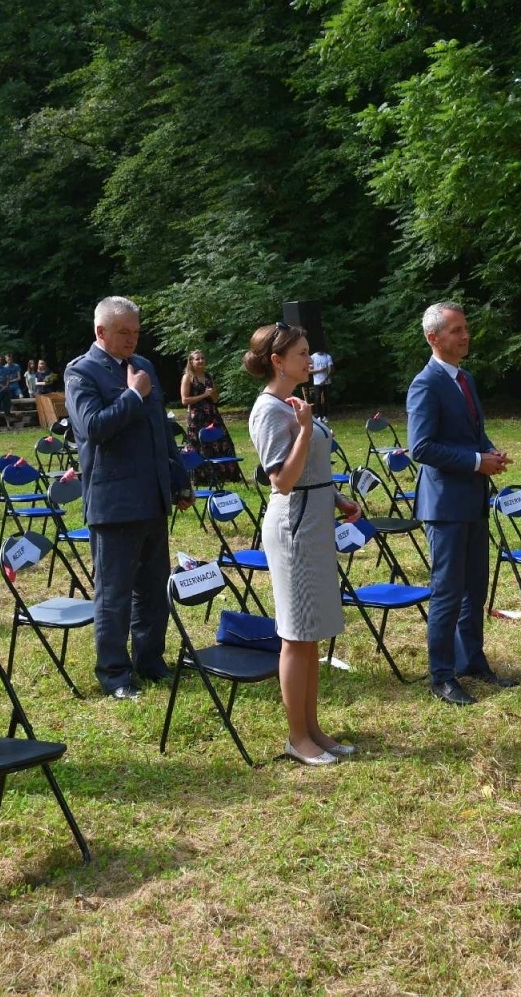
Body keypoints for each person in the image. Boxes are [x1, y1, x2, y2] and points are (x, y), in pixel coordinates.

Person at [244, 322, 362, 764]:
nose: (309, 360)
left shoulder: (296, 404)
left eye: (309, 352)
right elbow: (283, 480)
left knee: (311, 632)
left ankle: (314, 730)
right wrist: (307, 430)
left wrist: (339, 498)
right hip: (293, 526)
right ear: (277, 361)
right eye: (301, 354)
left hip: (315, 520)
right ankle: (297, 738)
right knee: (295, 634)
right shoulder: (269, 410)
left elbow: (312, 474)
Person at [65, 297, 194, 699]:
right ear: (101, 332)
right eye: (124, 332)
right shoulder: (81, 372)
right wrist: (133, 396)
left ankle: (151, 661)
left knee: (153, 589)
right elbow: (92, 428)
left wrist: (178, 478)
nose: (132, 339)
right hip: (115, 502)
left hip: (153, 496)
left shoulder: (145, 367)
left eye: (136, 332)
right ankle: (114, 674)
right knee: (114, 593)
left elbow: (160, 431)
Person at [406, 302, 517, 705]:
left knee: (475, 586)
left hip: (472, 498)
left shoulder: (465, 378)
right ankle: (441, 675)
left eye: (466, 328)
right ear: (433, 337)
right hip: (444, 505)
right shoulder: (425, 384)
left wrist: (489, 453)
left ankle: (472, 660)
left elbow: (473, 434)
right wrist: (475, 461)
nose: (465, 336)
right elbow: (421, 446)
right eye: (456, 330)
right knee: (448, 590)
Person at [179, 349, 244, 484]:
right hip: (197, 417)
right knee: (200, 445)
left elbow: (215, 399)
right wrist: (203, 395)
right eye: (197, 359)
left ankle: (224, 475)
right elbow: (184, 401)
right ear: (191, 362)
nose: (201, 361)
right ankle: (203, 477)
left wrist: (213, 393)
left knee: (222, 442)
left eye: (202, 358)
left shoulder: (208, 376)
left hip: (212, 415)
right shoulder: (188, 378)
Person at [308, 346, 333, 419]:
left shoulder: (327, 356)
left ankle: (325, 416)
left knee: (326, 399)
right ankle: (319, 415)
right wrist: (320, 370)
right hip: (317, 382)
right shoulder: (313, 357)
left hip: (327, 382)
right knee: (317, 399)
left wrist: (325, 380)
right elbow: (309, 371)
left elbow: (330, 370)